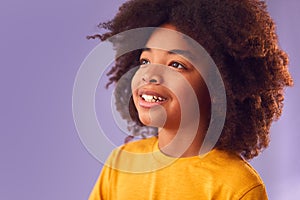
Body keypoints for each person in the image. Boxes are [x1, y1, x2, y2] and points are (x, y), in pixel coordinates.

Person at [87, 0, 293, 199]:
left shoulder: (238, 186)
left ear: (218, 86)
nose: (150, 74)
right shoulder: (121, 162)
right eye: (145, 60)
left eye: (176, 64)